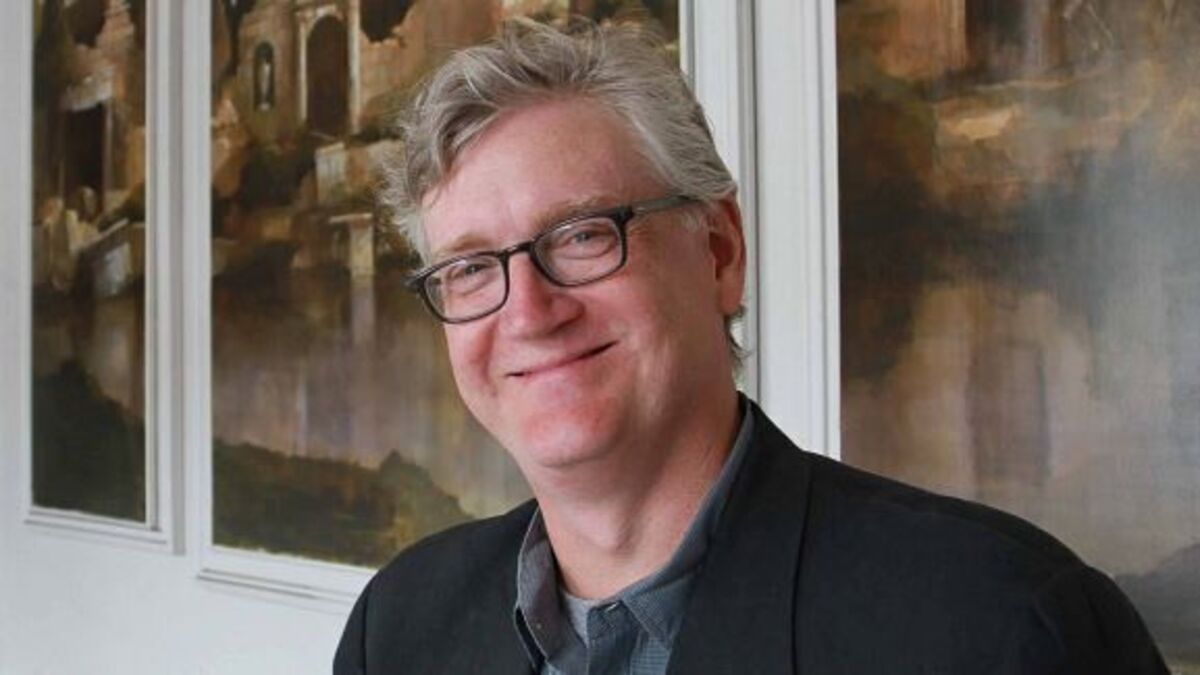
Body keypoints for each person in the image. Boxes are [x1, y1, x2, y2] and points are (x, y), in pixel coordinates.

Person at [335, 18, 1167, 675]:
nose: (528, 311)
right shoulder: (398, 628)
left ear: (720, 251)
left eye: (583, 234)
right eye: (471, 268)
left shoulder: (1004, 628)